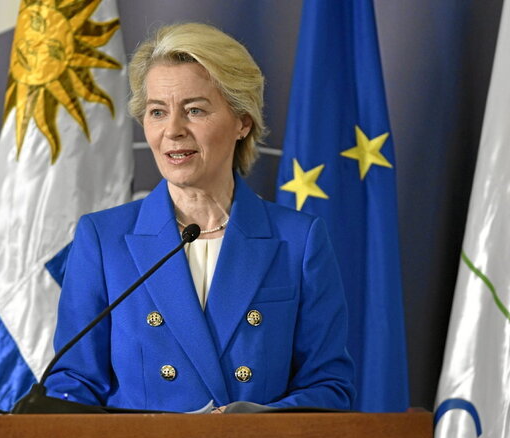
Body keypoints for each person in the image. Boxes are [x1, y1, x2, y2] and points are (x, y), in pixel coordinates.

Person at [46, 23, 355, 412]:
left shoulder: (299, 240)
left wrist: (260, 421)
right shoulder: (103, 239)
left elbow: (329, 387)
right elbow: (73, 385)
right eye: (158, 112)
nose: (173, 131)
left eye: (194, 110)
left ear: (243, 121)